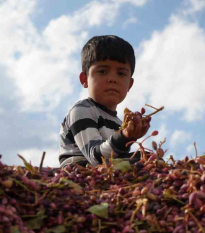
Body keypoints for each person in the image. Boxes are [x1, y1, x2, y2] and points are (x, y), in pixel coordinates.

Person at [59, 35, 151, 168]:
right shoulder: (81, 110)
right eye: (102, 71)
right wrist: (124, 137)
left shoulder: (119, 123)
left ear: (129, 84)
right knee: (140, 161)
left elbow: (114, 159)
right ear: (84, 79)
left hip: (107, 169)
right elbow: (95, 158)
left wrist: (131, 136)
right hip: (80, 170)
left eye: (121, 74)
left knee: (147, 158)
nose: (112, 79)